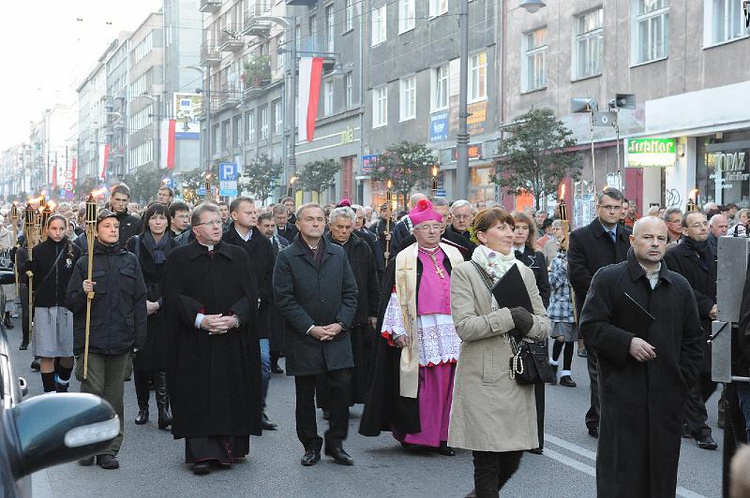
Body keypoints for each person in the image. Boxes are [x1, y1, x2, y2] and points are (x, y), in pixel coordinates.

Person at [579, 216, 703, 497]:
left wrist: (680, 379)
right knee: (621, 477)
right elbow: (590, 326)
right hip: (623, 396)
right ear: (633, 240)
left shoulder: (679, 286)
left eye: (661, 238)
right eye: (648, 237)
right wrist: (626, 343)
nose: (655, 244)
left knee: (661, 478)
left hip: (666, 398)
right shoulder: (610, 278)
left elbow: (694, 340)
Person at [449, 207, 551, 497]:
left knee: (513, 456)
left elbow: (543, 325)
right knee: (487, 461)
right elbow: (465, 327)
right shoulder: (465, 272)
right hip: (481, 375)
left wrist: (526, 320)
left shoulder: (522, 271)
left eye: (512, 227)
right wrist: (509, 316)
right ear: (482, 235)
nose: (510, 233)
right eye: (501, 228)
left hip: (517, 376)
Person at [163, 203, 262, 475]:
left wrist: (234, 319)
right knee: (198, 394)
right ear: (196, 230)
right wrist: (200, 319)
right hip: (195, 342)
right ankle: (202, 455)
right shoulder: (179, 258)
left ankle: (231, 450)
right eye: (210, 223)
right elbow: (174, 296)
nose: (217, 227)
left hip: (232, 339)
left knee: (231, 391)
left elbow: (250, 295)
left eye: (219, 222)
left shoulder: (238, 256)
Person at [360, 199, 464, 456]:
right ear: (414, 232)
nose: (431, 232)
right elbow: (394, 296)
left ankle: (444, 437)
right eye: (425, 227)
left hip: (451, 328)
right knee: (424, 386)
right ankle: (419, 436)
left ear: (442, 228)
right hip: (419, 328)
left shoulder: (456, 256)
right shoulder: (403, 259)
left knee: (451, 384)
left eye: (435, 227)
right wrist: (397, 330)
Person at [273, 203, 358, 467]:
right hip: (304, 336)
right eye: (310, 219)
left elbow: (350, 293)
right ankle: (310, 445)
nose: (316, 224)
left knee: (342, 389)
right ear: (297, 224)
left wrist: (341, 323)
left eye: (320, 219)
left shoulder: (337, 253)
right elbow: (284, 299)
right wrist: (310, 327)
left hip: (337, 334)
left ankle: (336, 443)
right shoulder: (287, 256)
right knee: (305, 394)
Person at [66, 209, 148, 470]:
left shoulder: (130, 261)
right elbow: (72, 304)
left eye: (116, 226)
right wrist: (83, 291)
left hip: (121, 339)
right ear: (96, 230)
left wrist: (139, 338)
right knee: (91, 395)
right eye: (107, 226)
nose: (113, 230)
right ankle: (87, 445)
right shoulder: (85, 262)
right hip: (93, 341)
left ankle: (108, 449)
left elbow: (138, 300)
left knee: (114, 398)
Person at [568, 187, 631, 438]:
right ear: (598, 208)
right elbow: (577, 275)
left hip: (626, 311)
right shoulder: (581, 237)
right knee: (598, 368)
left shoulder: (629, 236)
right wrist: (606, 295)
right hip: (595, 311)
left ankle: (603, 415)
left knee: (622, 367)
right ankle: (602, 418)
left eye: (617, 208)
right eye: (608, 207)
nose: (613, 212)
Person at [663, 210, 719, 450]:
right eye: (697, 225)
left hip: (714, 323)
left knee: (710, 377)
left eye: (705, 223)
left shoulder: (716, 253)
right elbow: (679, 287)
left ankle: (687, 417)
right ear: (684, 230)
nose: (703, 228)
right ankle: (700, 429)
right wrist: (708, 306)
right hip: (688, 321)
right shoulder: (674, 255)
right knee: (693, 376)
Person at [221, 197, 277, 431]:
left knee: (263, 364)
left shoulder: (263, 243)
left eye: (255, 212)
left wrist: (260, 296)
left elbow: (270, 276)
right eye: (248, 212)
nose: (254, 216)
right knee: (231, 366)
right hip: (229, 313)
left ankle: (258, 408)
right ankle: (232, 410)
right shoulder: (224, 240)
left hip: (258, 314)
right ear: (234, 215)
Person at [126, 203, 178, 429]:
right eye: (154, 218)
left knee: (163, 361)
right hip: (139, 305)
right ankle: (143, 408)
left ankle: (163, 410)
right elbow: (129, 275)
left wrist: (158, 304)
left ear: (168, 221)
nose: (158, 222)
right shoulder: (135, 243)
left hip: (165, 308)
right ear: (147, 220)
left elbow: (177, 282)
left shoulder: (175, 246)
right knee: (141, 360)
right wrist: (143, 303)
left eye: (162, 218)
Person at [322, 207, 380, 405]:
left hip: (357, 314)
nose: (344, 231)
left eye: (348, 227)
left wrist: (374, 312)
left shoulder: (362, 246)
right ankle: (331, 403)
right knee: (331, 363)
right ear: (330, 226)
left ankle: (350, 399)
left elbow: (372, 279)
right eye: (340, 227)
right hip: (329, 314)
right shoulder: (321, 246)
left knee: (355, 361)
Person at [25, 215, 81, 392]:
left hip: (68, 306)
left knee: (67, 352)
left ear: (67, 229)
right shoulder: (38, 250)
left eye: (61, 229)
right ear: (47, 229)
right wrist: (28, 268)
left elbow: (79, 276)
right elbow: (33, 282)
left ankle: (63, 384)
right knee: (47, 354)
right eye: (54, 228)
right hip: (45, 306)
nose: (58, 232)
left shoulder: (75, 250)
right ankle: (49, 392)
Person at [511, 210, 550, 454]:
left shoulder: (536, 257)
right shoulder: (500, 256)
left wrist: (535, 316)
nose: (520, 232)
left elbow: (544, 290)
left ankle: (535, 438)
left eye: (524, 228)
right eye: (515, 227)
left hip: (531, 322)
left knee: (534, 379)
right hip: (507, 321)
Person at [547, 220, 577, 388]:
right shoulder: (557, 261)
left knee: (571, 340)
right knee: (561, 338)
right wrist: (565, 268)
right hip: (560, 306)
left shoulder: (578, 260)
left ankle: (566, 373)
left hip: (573, 306)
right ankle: (553, 364)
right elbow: (553, 284)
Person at [258, 212, 288, 374]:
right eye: (266, 226)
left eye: (272, 226)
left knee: (277, 330)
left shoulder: (282, 243)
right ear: (259, 226)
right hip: (262, 294)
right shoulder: (255, 244)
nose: (270, 229)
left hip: (278, 294)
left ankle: (274, 359)